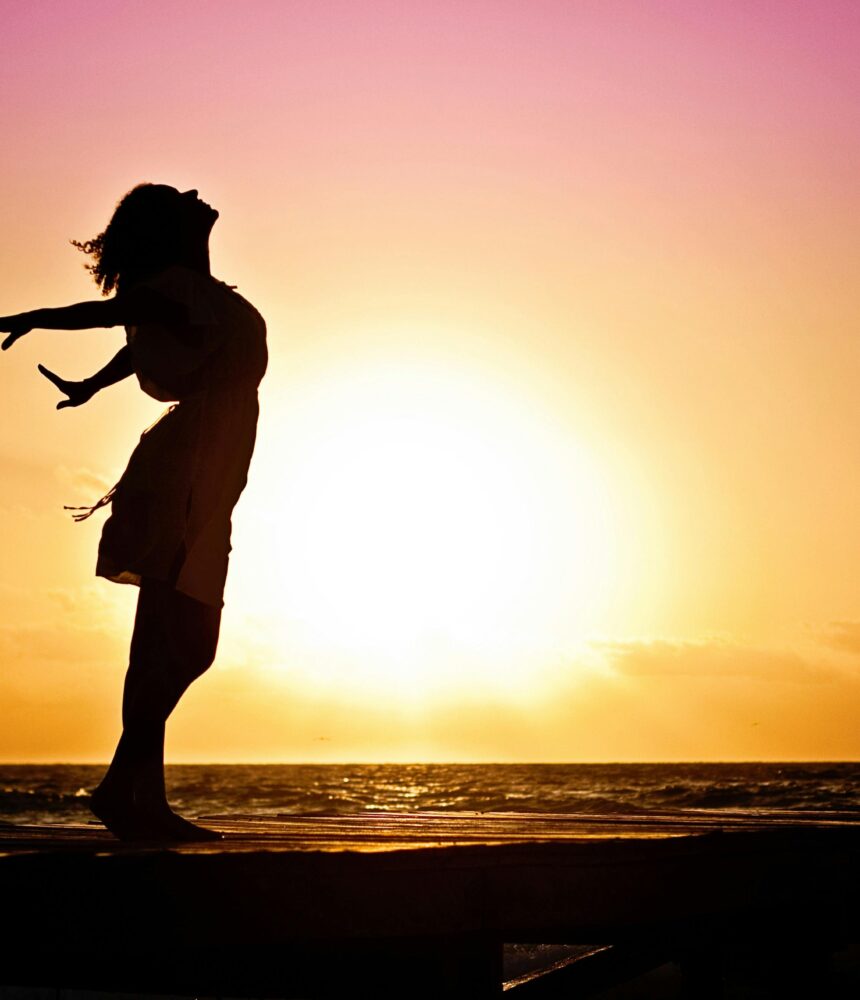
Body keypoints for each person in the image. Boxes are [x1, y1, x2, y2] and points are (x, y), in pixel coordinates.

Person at [0, 183, 267, 841]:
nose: (196, 194)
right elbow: (108, 317)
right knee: (175, 641)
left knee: (175, 643)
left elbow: (151, 330)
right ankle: (129, 790)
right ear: (172, 232)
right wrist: (34, 317)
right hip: (186, 474)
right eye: (183, 201)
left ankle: (131, 789)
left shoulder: (193, 292)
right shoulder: (174, 287)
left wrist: (92, 384)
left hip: (205, 471)